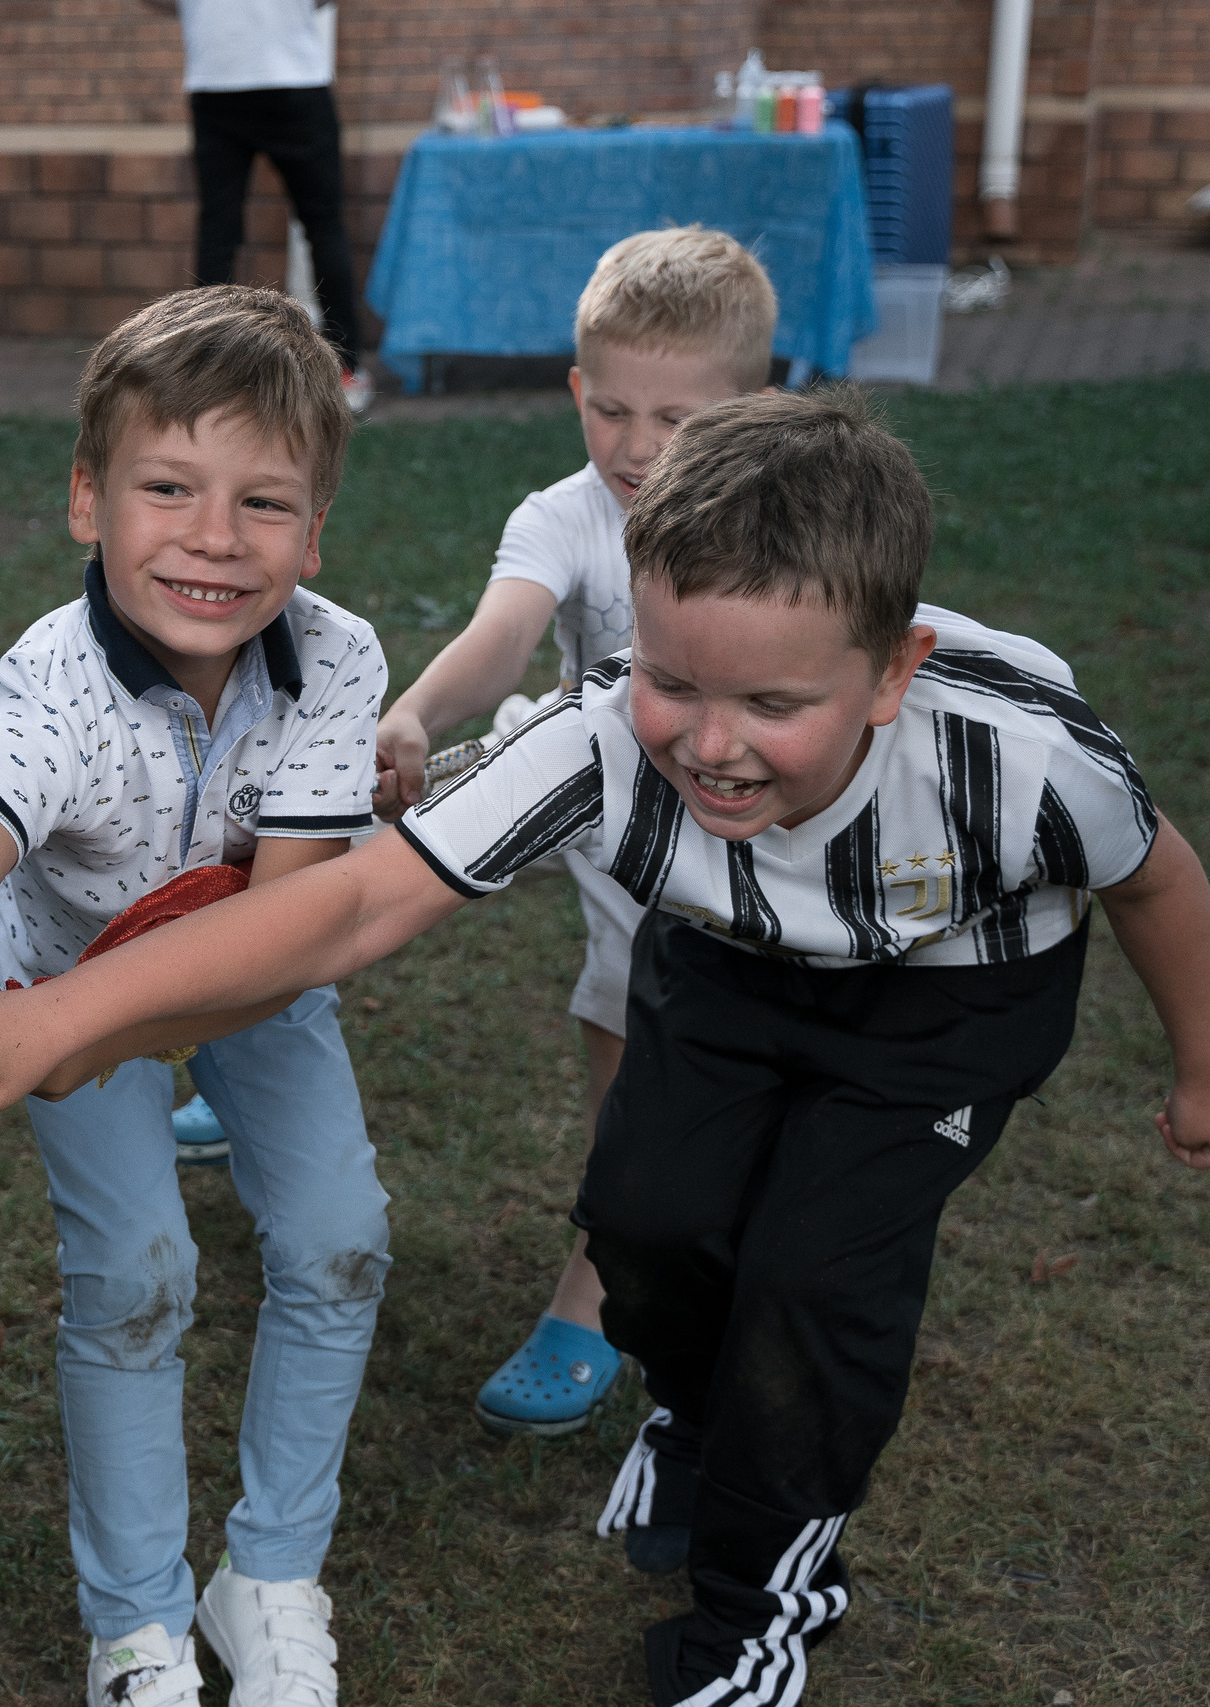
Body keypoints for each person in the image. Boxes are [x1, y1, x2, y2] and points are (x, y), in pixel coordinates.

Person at [0, 388, 1210, 1707]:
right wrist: (58, 1012)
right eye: (671, 680)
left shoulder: (1018, 761)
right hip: (732, 957)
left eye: (772, 704)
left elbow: (1156, 882)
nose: (711, 744)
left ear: (895, 670)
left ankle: (758, 1608)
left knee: (815, 1280)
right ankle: (696, 1417)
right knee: (645, 1224)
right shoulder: (601, 741)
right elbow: (349, 904)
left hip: (945, 1000)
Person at [0, 285, 387, 1707]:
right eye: (167, 486)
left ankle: (270, 1575)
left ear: (314, 533)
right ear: (88, 498)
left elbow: (286, 933)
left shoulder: (340, 658)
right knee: (136, 1275)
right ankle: (136, 1625)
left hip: (250, 977)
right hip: (57, 982)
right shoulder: (51, 688)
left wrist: (100, 1032)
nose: (215, 536)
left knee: (340, 1240)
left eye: (265, 503)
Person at [369, 226, 778, 1439]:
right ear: (574, 390)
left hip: (715, 820)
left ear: (751, 407)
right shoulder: (566, 514)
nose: (636, 448)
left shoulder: (788, 516)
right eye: (609, 411)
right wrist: (417, 711)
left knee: (658, 1036)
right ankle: (259, 1056)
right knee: (353, 844)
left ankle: (613, 1283)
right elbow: (503, 635)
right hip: (585, 779)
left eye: (675, 419)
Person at [142, 0, 371, 413]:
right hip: (293, 77)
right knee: (323, 225)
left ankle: (206, 369)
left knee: (218, 229)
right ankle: (344, 370)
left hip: (217, 75)